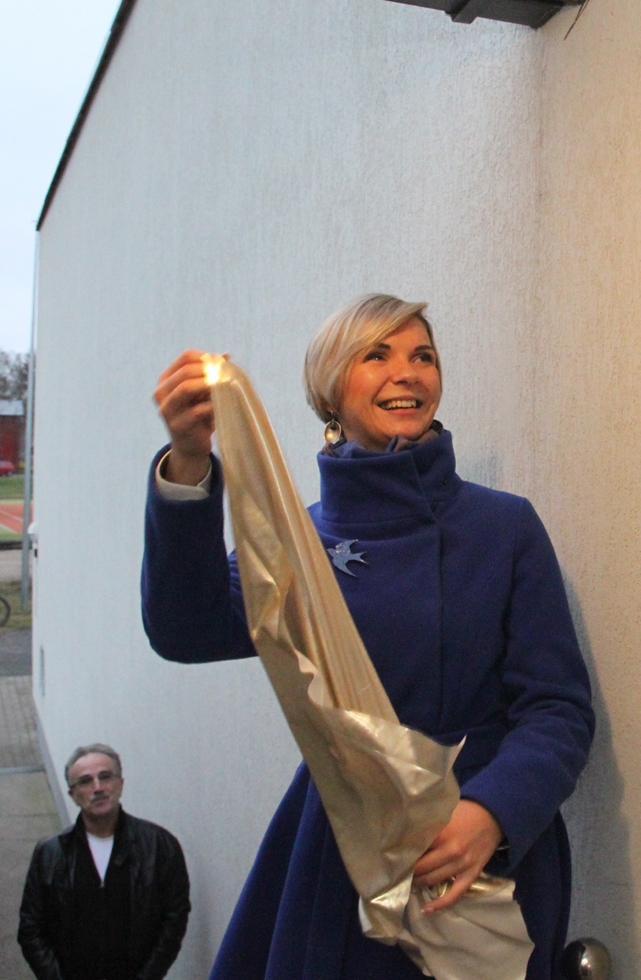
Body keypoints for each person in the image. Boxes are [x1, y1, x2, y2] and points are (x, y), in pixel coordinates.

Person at [141, 293, 595, 980]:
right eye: (376, 356)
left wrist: (492, 814)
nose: (406, 372)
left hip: (487, 860)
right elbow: (186, 629)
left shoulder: (505, 527)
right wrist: (187, 462)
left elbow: (558, 709)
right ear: (330, 391)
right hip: (348, 857)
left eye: (423, 356)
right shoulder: (297, 546)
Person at [18, 744, 191, 980]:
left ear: (120, 784)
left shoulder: (159, 846)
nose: (98, 788)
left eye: (105, 777)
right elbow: (31, 928)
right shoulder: (50, 853)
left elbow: (175, 918)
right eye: (85, 781)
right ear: (73, 795)